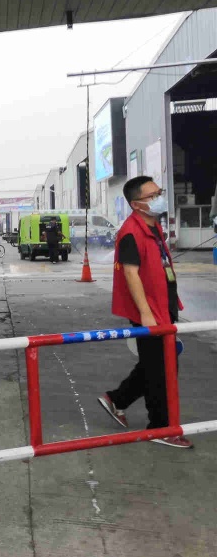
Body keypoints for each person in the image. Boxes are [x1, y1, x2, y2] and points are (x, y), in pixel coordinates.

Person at [98, 176, 191, 449]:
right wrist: (145, 313)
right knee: (161, 371)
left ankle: (117, 399)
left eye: (159, 192)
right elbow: (130, 273)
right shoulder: (131, 232)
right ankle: (159, 428)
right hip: (149, 312)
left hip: (163, 306)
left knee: (157, 364)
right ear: (136, 204)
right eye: (153, 196)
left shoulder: (153, 226)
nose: (160, 198)